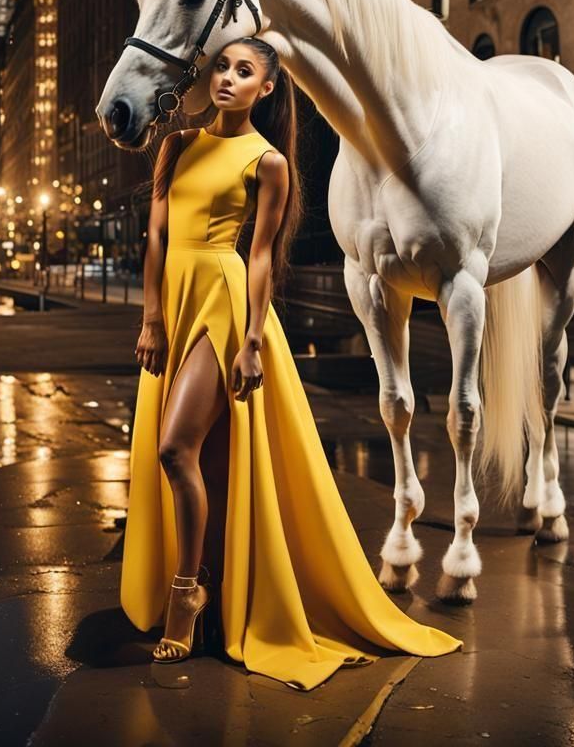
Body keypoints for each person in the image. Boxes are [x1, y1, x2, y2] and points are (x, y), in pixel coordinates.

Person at [119, 36, 462, 691]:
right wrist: (152, 318)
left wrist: (252, 338)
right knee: (205, 460)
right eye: (221, 66)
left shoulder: (268, 161)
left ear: (265, 89)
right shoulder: (177, 145)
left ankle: (186, 595)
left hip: (223, 309)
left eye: (243, 72)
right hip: (176, 305)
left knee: (175, 450)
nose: (227, 78)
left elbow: (259, 256)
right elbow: (158, 236)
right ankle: (215, 584)